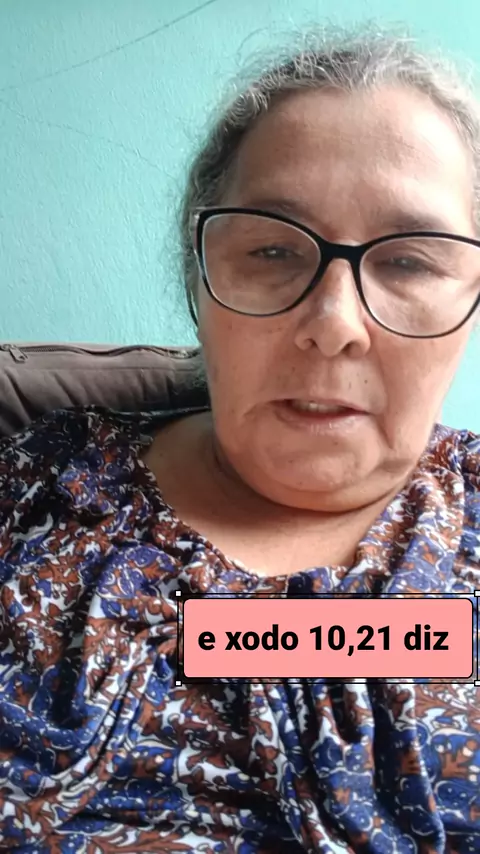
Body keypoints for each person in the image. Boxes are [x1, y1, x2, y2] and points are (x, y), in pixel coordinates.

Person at [1, 22, 480, 854]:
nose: (334, 323)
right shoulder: (38, 488)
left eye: (408, 262)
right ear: (201, 280)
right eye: (271, 249)